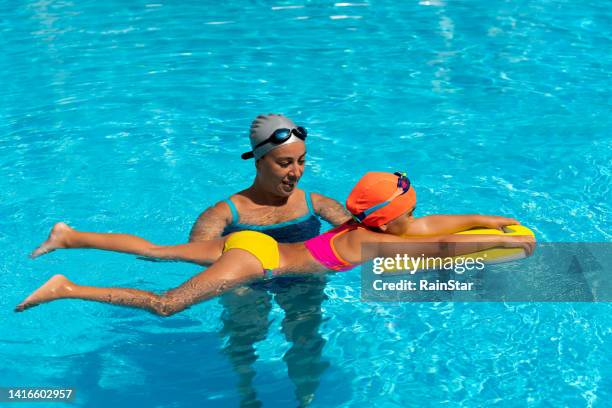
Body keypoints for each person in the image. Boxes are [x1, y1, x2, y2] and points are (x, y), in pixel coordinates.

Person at [17, 171, 535, 314]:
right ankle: (67, 288)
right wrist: (513, 245)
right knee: (165, 305)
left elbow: (448, 222)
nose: (421, 217)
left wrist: (495, 220)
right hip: (256, 262)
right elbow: (444, 247)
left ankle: (69, 235)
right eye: (413, 209)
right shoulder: (382, 244)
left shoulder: (373, 226)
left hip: (254, 245)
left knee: (156, 250)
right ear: (396, 218)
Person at [188, 113, 350, 407]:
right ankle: (246, 392)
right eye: (285, 163)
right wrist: (236, 281)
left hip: (302, 278)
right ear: (259, 161)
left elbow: (356, 235)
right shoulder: (226, 213)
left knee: (306, 338)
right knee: (246, 337)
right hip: (250, 282)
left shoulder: (315, 203)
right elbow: (198, 251)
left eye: (301, 160)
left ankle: (305, 399)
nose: (296, 172)